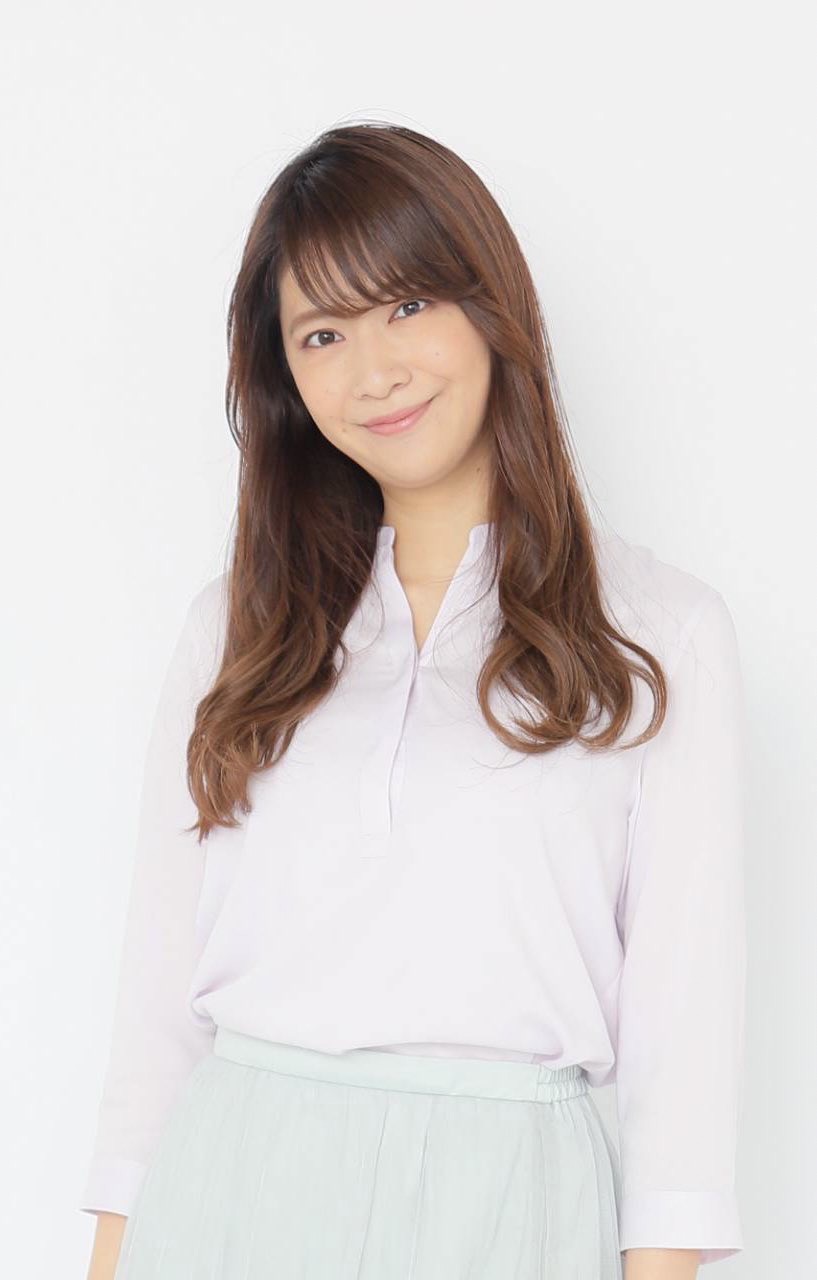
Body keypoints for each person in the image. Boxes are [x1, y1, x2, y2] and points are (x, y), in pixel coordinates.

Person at [80, 122, 747, 1280]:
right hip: (229, 1192)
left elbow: (681, 1069)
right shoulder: (235, 627)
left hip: (509, 1211)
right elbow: (154, 1024)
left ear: (491, 307)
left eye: (406, 304)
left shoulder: (659, 634)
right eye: (322, 333)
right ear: (285, 375)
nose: (373, 371)